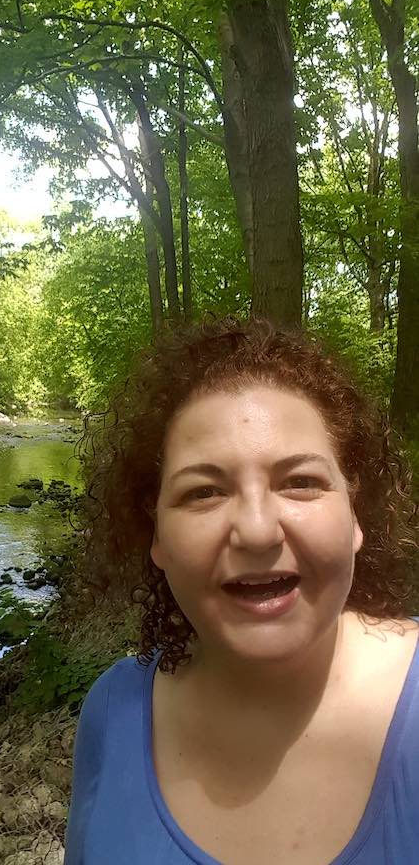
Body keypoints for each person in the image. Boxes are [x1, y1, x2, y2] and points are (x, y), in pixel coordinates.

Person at [65, 318, 419, 865]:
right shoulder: (112, 715)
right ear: (155, 534)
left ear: (355, 514)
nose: (256, 530)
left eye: (300, 481)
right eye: (204, 491)